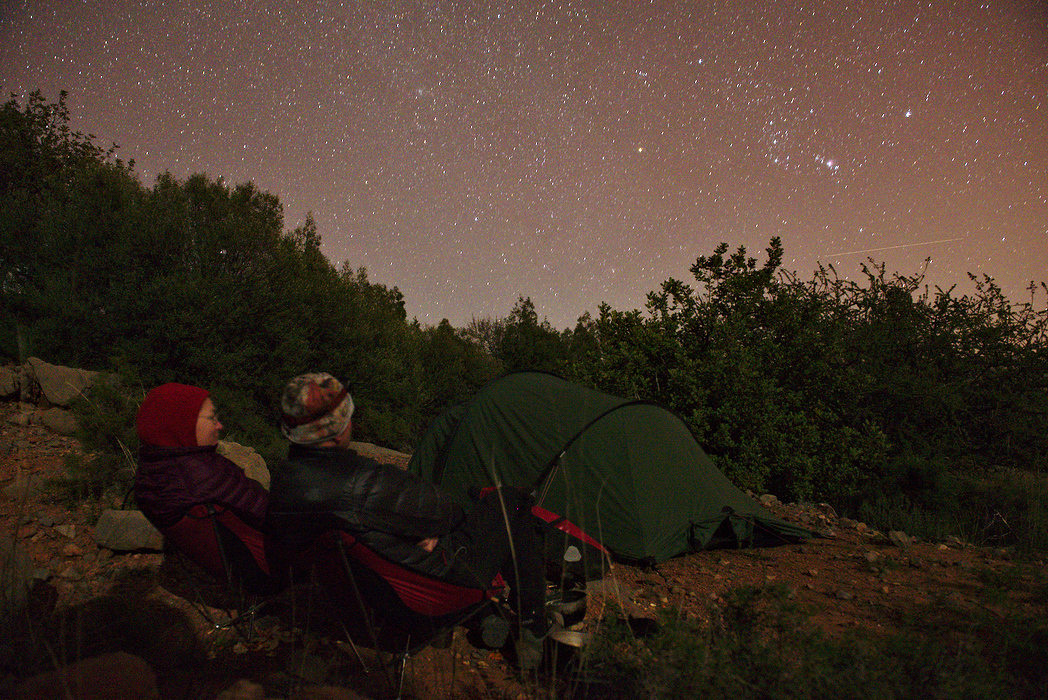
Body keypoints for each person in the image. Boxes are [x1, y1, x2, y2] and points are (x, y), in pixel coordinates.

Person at [266, 372, 550, 670]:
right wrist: (428, 532)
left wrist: (408, 533)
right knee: (510, 503)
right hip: (423, 597)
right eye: (347, 415)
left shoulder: (284, 483)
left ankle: (489, 615)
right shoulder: (363, 482)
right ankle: (534, 622)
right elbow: (444, 510)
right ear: (337, 432)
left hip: (361, 595)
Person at [134, 383, 272, 589]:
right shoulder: (204, 476)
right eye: (211, 418)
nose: (219, 426)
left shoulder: (151, 472)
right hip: (268, 571)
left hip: (231, 574)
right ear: (182, 424)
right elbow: (272, 515)